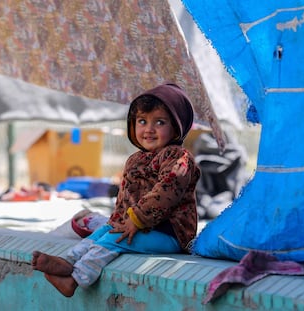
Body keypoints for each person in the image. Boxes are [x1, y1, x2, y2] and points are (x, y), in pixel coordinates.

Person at [31, 83, 201, 297]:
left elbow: (166, 192)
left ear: (177, 127)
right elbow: (125, 197)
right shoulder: (135, 160)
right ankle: (68, 261)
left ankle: (76, 279)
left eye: (159, 122)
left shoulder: (178, 158)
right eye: (142, 121)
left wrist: (136, 220)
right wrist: (118, 220)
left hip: (168, 234)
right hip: (138, 226)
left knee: (115, 239)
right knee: (104, 232)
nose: (149, 129)